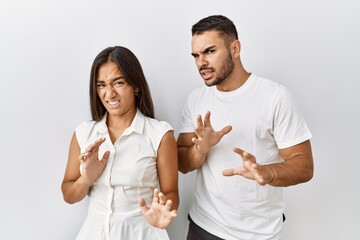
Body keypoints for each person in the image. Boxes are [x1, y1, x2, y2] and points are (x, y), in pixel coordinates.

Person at [177, 15, 314, 240]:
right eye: (196, 55)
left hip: (258, 233)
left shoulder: (275, 97)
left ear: (235, 48)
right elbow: (181, 164)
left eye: (210, 51)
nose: (201, 62)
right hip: (204, 227)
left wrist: (267, 172)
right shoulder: (196, 100)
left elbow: (304, 166)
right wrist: (199, 151)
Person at [61, 46, 179, 240]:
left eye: (118, 83)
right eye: (101, 85)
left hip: (143, 233)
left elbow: (171, 192)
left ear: (136, 86)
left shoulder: (159, 134)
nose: (109, 94)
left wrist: (165, 210)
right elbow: (69, 195)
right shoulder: (84, 133)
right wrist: (86, 179)